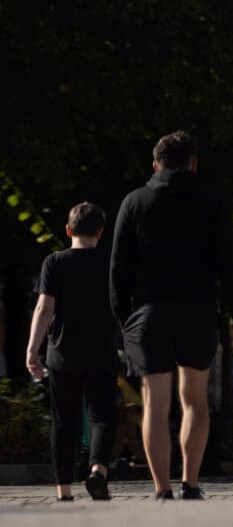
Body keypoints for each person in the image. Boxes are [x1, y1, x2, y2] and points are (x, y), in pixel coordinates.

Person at [109, 131, 233, 500]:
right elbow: (229, 265)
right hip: (197, 311)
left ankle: (161, 489)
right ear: (193, 163)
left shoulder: (134, 202)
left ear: (155, 164)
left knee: (155, 405)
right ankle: (191, 483)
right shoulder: (211, 203)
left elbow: (118, 271)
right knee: (195, 401)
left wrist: (124, 320)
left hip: (148, 314)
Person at [26, 203, 119, 502]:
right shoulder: (111, 262)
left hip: (62, 353)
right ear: (101, 232)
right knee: (103, 416)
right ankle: (97, 471)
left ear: (68, 230)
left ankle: (63, 491)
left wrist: (33, 349)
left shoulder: (55, 262)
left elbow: (44, 307)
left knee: (64, 421)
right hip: (102, 351)